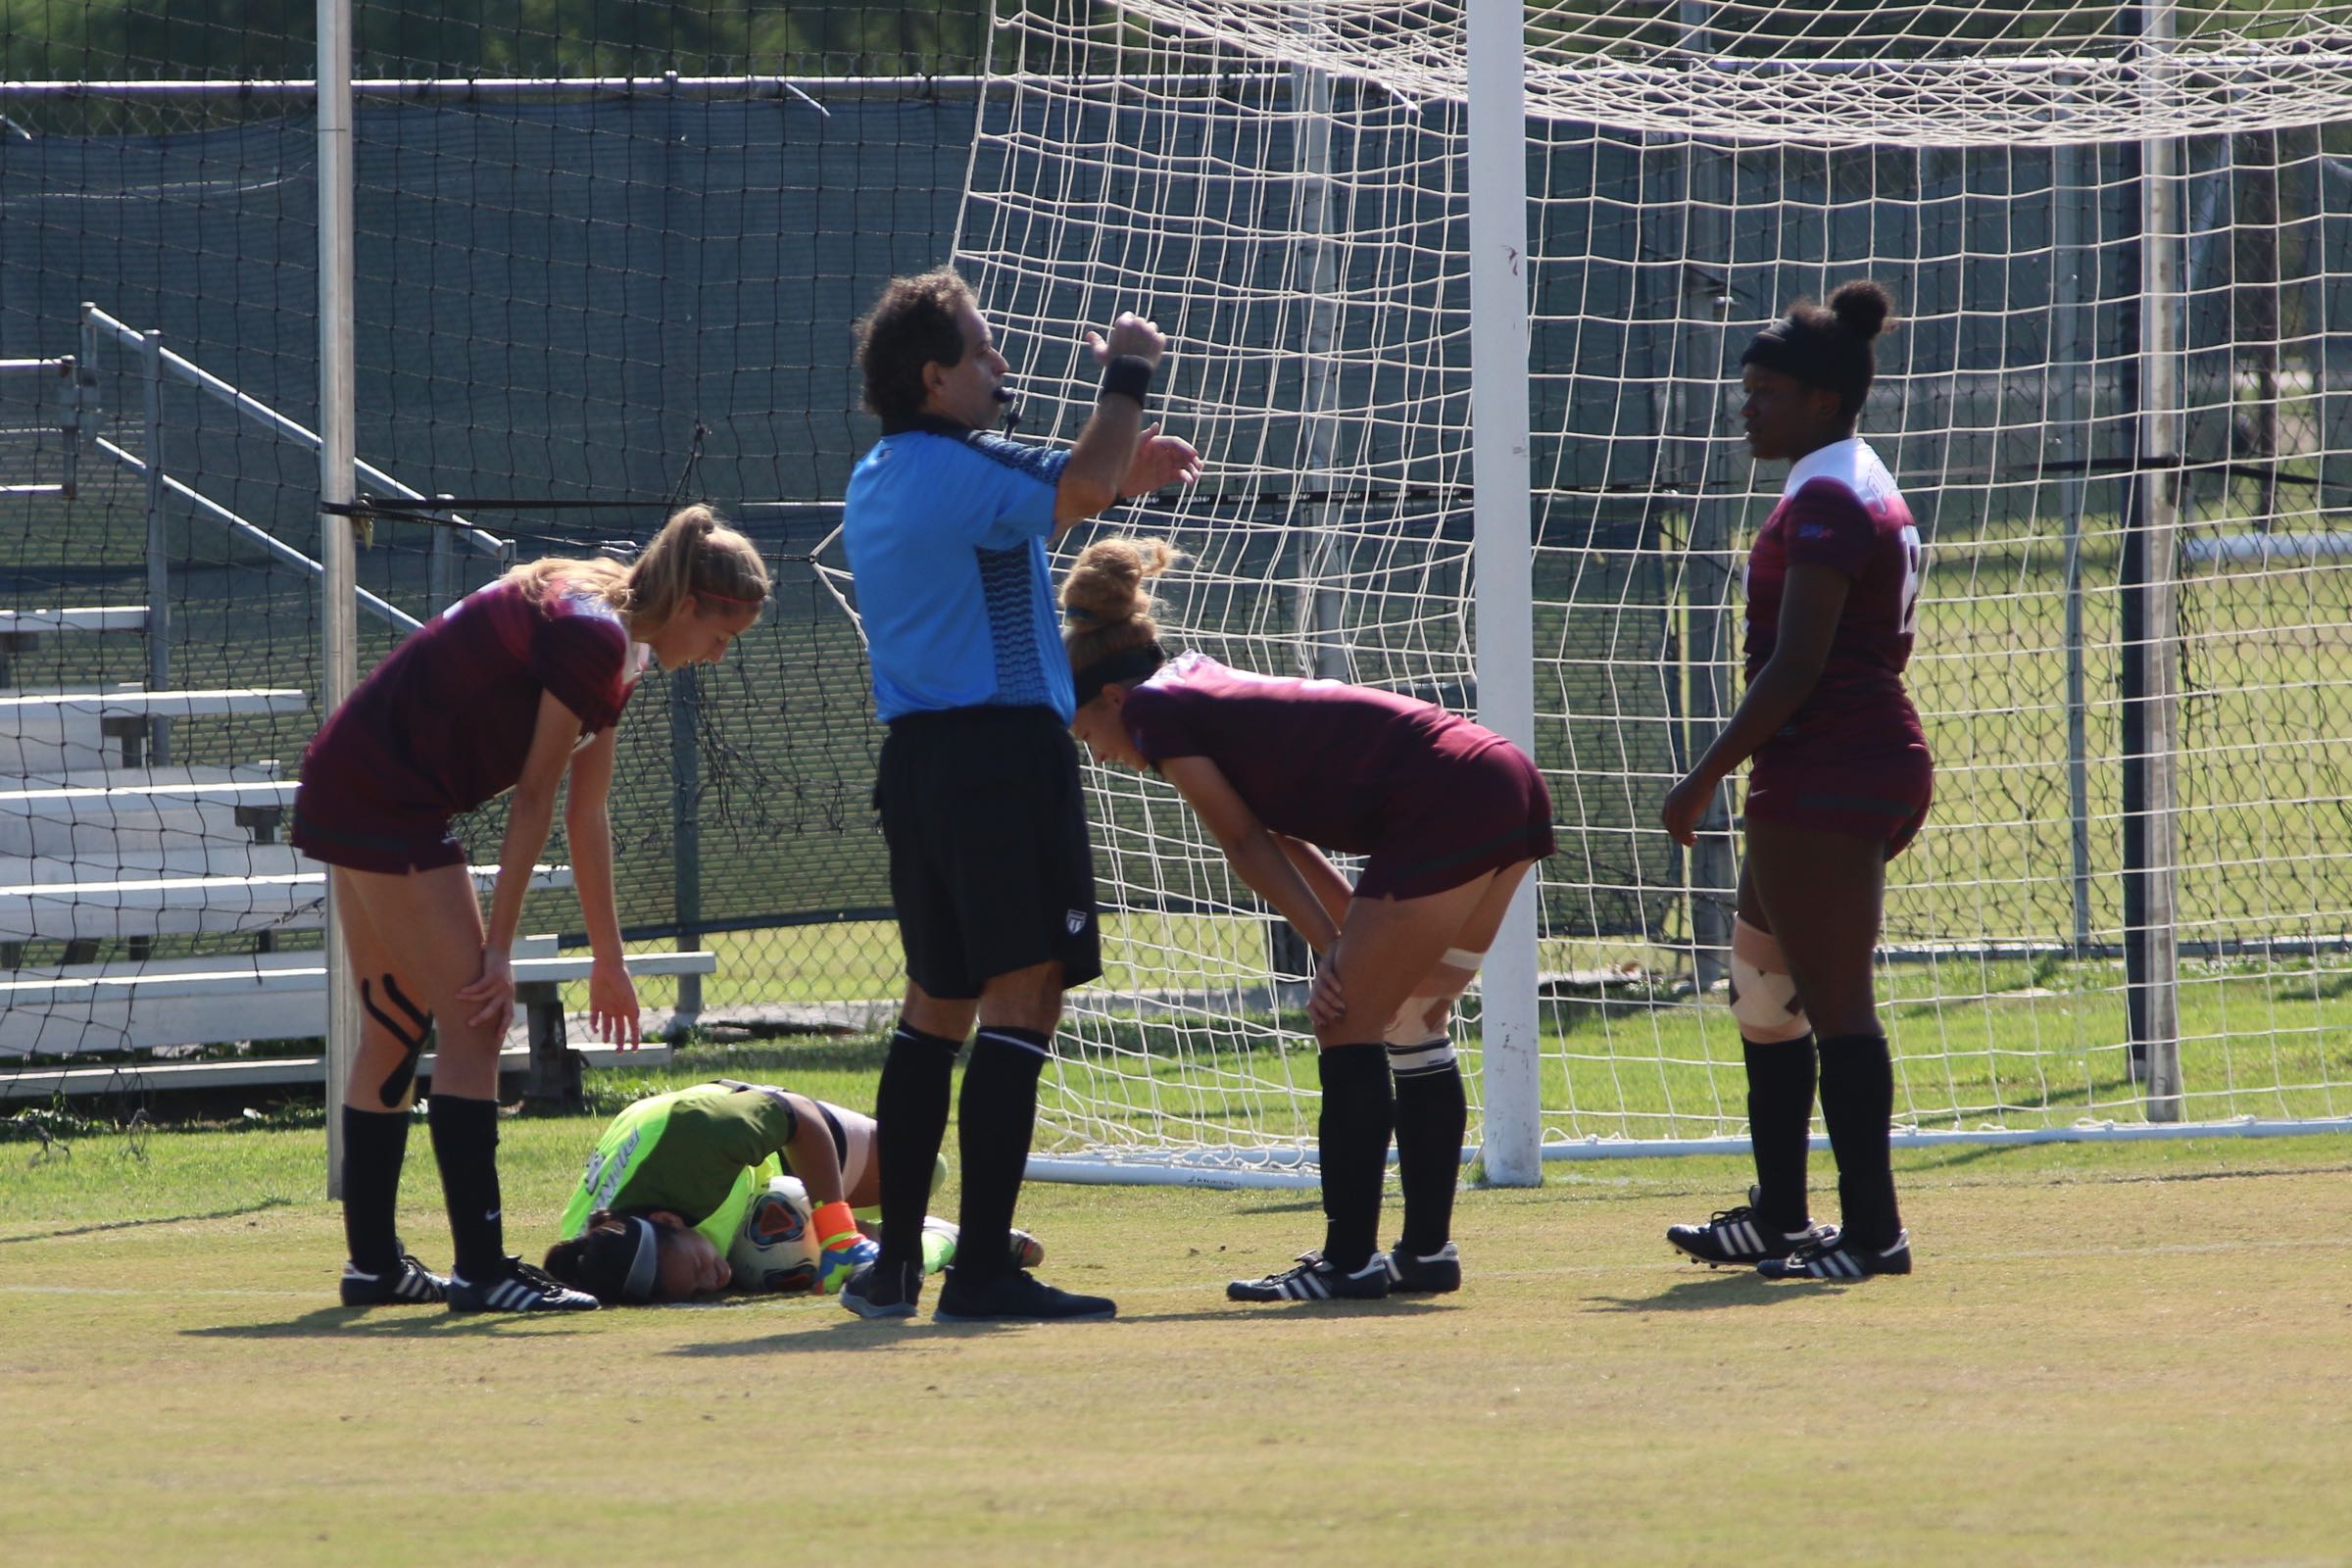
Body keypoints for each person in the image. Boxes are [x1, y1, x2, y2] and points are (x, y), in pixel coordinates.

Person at [837, 266, 1200, 1323]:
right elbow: (1077, 490)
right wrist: (1129, 369)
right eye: (984, 353)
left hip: (922, 769)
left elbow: (1053, 500)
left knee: (932, 1013)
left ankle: (895, 1263)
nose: (1003, 366)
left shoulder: (887, 473)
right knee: (1023, 1002)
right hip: (1000, 761)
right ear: (935, 375)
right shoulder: (954, 467)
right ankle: (983, 1270)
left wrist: (1116, 474)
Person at [296, 505, 770, 1313]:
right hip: (386, 797)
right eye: (723, 637)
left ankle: (374, 1266)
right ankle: (484, 1269)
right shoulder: (596, 638)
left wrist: (610, 959)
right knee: (476, 1021)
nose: (718, 657)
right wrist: (498, 951)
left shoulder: (617, 632)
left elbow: (590, 812)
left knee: (396, 1021)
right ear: (690, 605)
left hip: (356, 779)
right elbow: (536, 798)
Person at [1061, 537, 1556, 1302]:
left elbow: (1245, 842)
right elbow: (1282, 833)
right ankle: (1424, 1255)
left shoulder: (1156, 709)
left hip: (1449, 796)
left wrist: (1335, 953)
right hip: (1502, 776)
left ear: (1113, 701)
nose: (1095, 755)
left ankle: (1347, 1263)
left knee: (1345, 1024)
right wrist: (1342, 943)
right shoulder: (1187, 682)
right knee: (1414, 1018)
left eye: (1085, 733)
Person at [1659, 279, 1926, 1281]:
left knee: (1838, 1004)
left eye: (1764, 390)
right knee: (1766, 999)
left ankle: (1872, 1233)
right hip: (1827, 765)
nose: (1746, 406)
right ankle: (1780, 1217)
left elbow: (1799, 665)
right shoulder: (1839, 475)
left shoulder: (1826, 494)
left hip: (1832, 767)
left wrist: (1701, 778)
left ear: (1820, 398)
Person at [539, 1081, 1043, 1305]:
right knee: (782, 1252)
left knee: (920, 1172)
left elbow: (795, 1114)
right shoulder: (594, 1258)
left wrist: (838, 1234)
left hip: (766, 1127)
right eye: (691, 1293)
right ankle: (945, 1241)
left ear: (671, 1221)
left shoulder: (699, 1140)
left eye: (696, 1268)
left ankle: (865, 1236)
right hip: (745, 1188)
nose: (711, 1282)